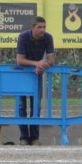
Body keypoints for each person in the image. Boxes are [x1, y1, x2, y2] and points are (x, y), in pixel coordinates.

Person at [14, 16, 54, 145]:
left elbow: (51, 60)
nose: (42, 30)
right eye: (39, 27)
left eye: (44, 27)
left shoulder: (48, 37)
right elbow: (19, 60)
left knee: (36, 106)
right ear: (32, 28)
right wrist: (36, 63)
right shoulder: (23, 36)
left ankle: (35, 138)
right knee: (21, 106)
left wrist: (42, 66)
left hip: (36, 74)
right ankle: (24, 138)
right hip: (21, 74)